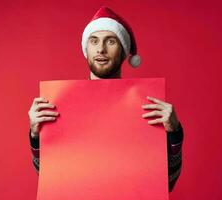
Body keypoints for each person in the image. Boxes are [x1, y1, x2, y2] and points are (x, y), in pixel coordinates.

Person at [28, 6, 183, 192]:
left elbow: (167, 182)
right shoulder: (58, 104)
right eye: (94, 41)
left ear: (124, 51)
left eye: (110, 41)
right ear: (86, 49)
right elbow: (51, 180)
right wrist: (36, 136)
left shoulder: (147, 107)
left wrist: (174, 133)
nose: (101, 49)